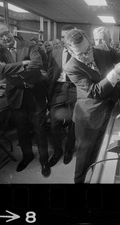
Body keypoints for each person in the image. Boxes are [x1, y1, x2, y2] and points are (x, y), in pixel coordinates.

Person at [63, 29, 120, 183]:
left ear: (90, 43)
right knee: (84, 156)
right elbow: (95, 91)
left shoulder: (100, 51)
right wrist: (115, 73)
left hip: (109, 110)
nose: (87, 56)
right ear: (71, 53)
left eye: (88, 50)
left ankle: (96, 178)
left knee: (99, 153)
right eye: (81, 54)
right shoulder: (71, 67)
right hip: (89, 116)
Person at [0, 22, 51, 177]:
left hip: (35, 94)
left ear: (10, 31)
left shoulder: (29, 44)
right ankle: (27, 155)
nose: (4, 38)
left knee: (39, 129)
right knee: (21, 129)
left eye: (5, 33)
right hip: (16, 95)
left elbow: (37, 63)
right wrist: (23, 63)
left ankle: (44, 160)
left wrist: (12, 70)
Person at [47, 24, 77, 167]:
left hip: (74, 89)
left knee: (73, 122)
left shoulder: (80, 51)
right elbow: (50, 73)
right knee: (54, 123)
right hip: (58, 89)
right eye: (63, 37)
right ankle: (57, 151)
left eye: (68, 37)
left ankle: (68, 151)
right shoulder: (55, 51)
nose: (65, 40)